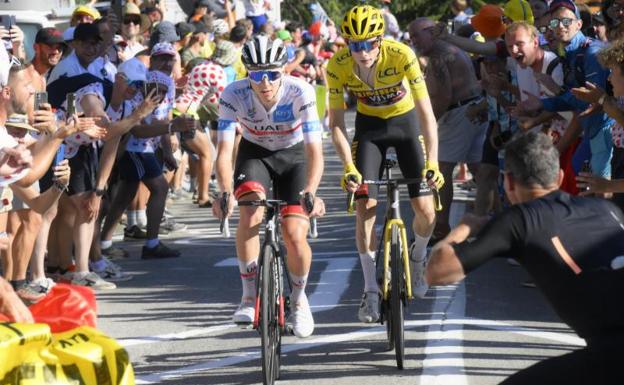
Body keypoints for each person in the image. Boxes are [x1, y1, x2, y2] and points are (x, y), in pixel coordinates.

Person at [426, 131, 624, 385]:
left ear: (509, 183)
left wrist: (466, 226)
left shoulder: (520, 220)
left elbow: (437, 271)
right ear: (561, 177)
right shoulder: (606, 210)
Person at [326, 5, 443, 323]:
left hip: (406, 125)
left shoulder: (401, 54)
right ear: (346, 44)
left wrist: (433, 162)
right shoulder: (336, 66)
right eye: (355, 45)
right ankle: (370, 291)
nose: (362, 52)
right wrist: (347, 165)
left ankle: (418, 258)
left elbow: (427, 115)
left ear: (380, 40)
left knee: (425, 208)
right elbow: (336, 123)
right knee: (365, 207)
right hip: (370, 130)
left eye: (369, 44)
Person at [213, 35, 325, 338]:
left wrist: (312, 190)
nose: (265, 83)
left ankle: (299, 301)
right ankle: (249, 296)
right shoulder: (232, 93)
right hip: (256, 154)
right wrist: (224, 191)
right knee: (250, 213)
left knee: (294, 233)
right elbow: (224, 151)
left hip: (295, 156)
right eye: (256, 75)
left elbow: (315, 151)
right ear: (246, 74)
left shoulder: (301, 91)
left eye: (272, 74)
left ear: (283, 72)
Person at [409, 17, 485, 242]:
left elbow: (442, 97)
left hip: (460, 113)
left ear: (432, 32)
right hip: (471, 110)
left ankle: (440, 227)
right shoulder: (445, 50)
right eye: (411, 37)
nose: (413, 41)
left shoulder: (439, 55)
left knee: (440, 169)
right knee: (482, 171)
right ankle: (492, 220)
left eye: (417, 35)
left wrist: (428, 124)